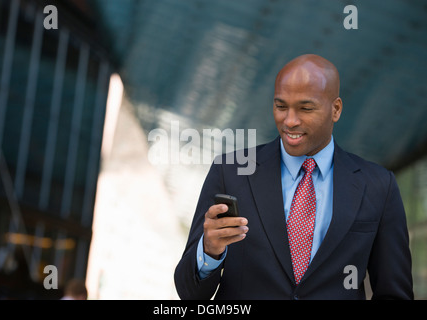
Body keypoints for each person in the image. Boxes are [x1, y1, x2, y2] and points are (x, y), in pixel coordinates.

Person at [174, 54, 413, 300]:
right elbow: (190, 294)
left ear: (336, 110)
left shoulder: (378, 186)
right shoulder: (230, 171)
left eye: (305, 108)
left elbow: (394, 292)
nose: (289, 121)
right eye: (281, 107)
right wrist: (210, 252)